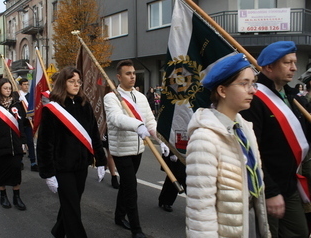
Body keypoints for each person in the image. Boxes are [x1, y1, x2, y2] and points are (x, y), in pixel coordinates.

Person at [185, 53, 270, 237]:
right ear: (222, 91)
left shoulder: (245, 128)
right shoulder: (204, 138)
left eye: (253, 83)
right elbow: (200, 212)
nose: (253, 90)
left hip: (249, 224)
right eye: (244, 83)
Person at [240, 41, 310, 237]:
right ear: (269, 67)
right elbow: (252, 151)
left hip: (290, 184)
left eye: (294, 62)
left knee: (300, 232)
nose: (294, 68)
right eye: (287, 63)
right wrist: (270, 191)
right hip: (266, 187)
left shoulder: (292, 97)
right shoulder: (254, 100)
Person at [37, 66, 106, 238]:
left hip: (81, 165)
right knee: (73, 208)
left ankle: (58, 231)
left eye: (78, 82)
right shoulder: (53, 109)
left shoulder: (85, 105)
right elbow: (45, 144)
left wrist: (101, 160)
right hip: (63, 168)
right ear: (63, 83)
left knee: (71, 204)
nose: (76, 85)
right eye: (71, 81)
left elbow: (94, 134)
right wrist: (48, 173)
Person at [103, 59, 169, 238]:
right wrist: (136, 125)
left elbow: (149, 121)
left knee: (126, 184)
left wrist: (161, 140)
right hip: (121, 149)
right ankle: (136, 229)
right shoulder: (111, 97)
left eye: (133, 73)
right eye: (128, 74)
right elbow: (116, 118)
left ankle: (119, 215)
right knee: (131, 188)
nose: (132, 77)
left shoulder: (140, 97)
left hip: (138, 148)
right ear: (119, 77)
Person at [0, 78, 27, 210]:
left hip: (15, 144)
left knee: (16, 169)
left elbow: (21, 124)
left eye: (9, 88)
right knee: (1, 171)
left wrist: (24, 141)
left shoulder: (16, 104)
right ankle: (3, 195)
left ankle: (16, 196)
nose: (8, 91)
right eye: (5, 88)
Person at [18, 78, 38, 172]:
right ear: (20, 85)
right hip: (20, 123)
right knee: (21, 143)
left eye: (27, 84)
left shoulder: (31, 96)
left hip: (29, 123)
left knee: (30, 142)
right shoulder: (17, 96)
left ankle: (33, 163)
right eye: (24, 84)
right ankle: (20, 161)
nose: (26, 86)